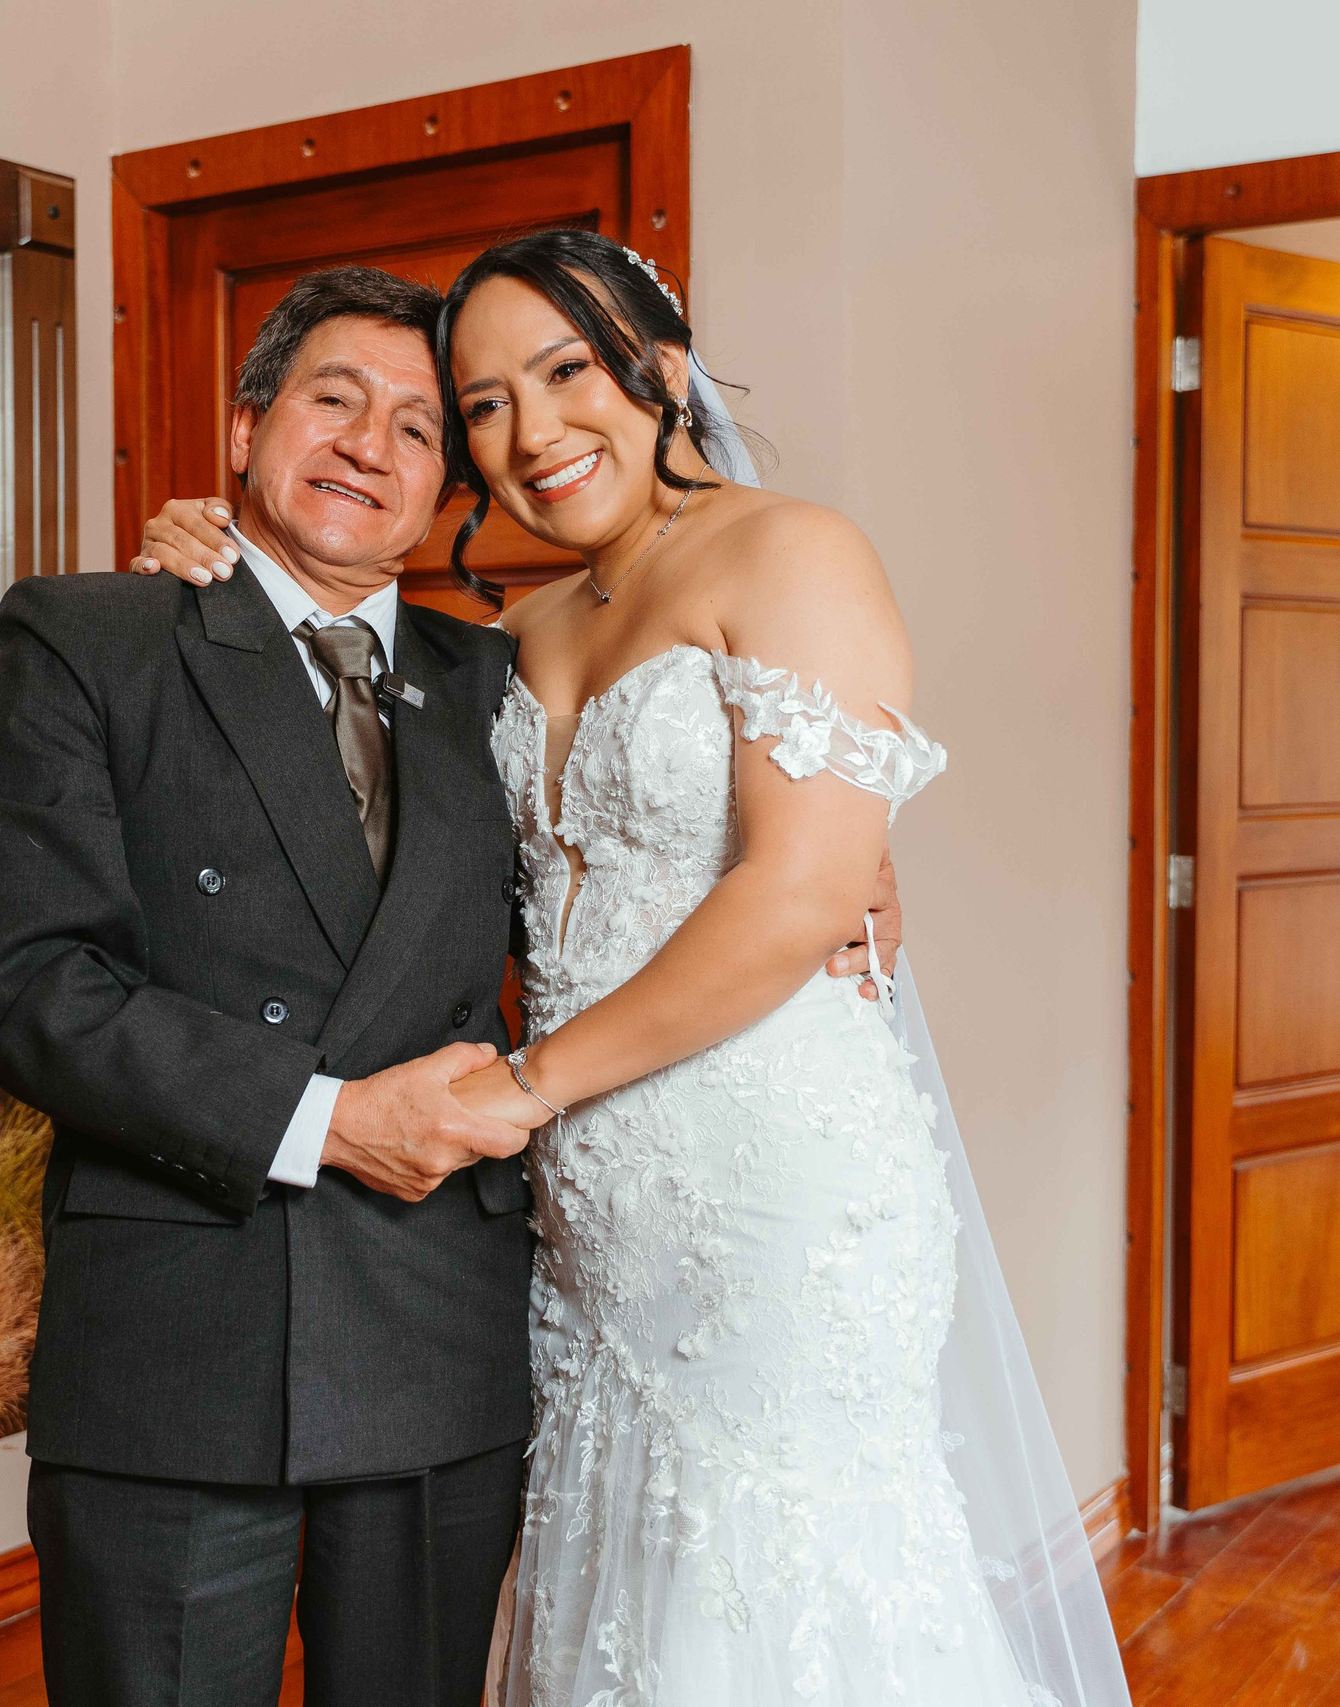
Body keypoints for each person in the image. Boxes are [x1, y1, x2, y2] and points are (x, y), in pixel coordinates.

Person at [131, 231, 1132, 1706]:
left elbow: (798, 890)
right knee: (620, 1609)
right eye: (484, 405)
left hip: (770, 1196)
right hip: (582, 1234)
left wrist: (525, 1089)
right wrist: (213, 559)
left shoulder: (793, 552)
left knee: (761, 1610)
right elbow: (389, 839)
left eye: (566, 372)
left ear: (660, 370)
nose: (531, 432)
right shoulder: (506, 635)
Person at [0, 264, 898, 1707]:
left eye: (418, 428)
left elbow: (673, 842)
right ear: (247, 426)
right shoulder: (91, 637)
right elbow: (33, 988)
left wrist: (851, 858)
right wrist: (329, 1122)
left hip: (442, 1327)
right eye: (332, 402)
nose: (366, 448)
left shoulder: (494, 676)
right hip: (180, 1341)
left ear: (448, 485)